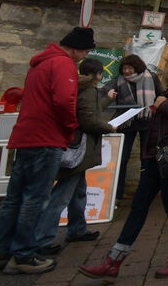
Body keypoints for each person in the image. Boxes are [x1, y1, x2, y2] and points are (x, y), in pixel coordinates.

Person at [79, 48, 168, 282]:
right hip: (159, 153)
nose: (164, 65)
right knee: (143, 205)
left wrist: (162, 103)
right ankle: (114, 260)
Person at [0, 26, 93, 275]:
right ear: (74, 48)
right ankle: (22, 255)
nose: (84, 56)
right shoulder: (63, 65)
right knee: (35, 199)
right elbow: (65, 101)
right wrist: (70, 126)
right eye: (84, 51)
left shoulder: (38, 64)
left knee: (14, 198)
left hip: (25, 137)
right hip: (47, 138)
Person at [36, 57, 116, 255]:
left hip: (74, 145)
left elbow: (90, 109)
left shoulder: (77, 87)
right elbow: (88, 119)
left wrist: (107, 99)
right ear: (98, 74)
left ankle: (77, 229)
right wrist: (109, 127)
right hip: (79, 147)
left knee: (79, 192)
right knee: (61, 196)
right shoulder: (88, 90)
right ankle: (41, 239)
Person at [106, 54, 160, 200]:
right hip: (126, 123)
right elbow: (107, 88)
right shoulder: (119, 80)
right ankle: (117, 193)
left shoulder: (151, 77)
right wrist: (109, 92)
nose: (126, 71)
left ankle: (145, 193)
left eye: (129, 68)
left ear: (137, 67)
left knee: (146, 157)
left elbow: (160, 95)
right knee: (122, 158)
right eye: (124, 68)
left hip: (147, 121)